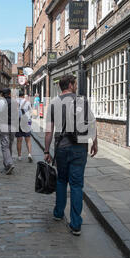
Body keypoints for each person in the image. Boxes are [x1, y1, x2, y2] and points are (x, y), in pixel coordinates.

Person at [44, 75, 98, 236]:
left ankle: (58, 213)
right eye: (75, 83)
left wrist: (46, 151)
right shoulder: (82, 101)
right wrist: (95, 143)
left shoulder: (53, 103)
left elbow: (49, 130)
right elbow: (92, 123)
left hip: (61, 147)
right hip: (80, 148)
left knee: (61, 180)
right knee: (76, 185)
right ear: (70, 84)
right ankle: (76, 224)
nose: (76, 86)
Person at [0, 88, 19, 175]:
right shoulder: (15, 102)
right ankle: (8, 163)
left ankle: (9, 163)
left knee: (5, 145)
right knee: (9, 145)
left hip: (4, 124)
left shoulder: (0, 102)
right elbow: (17, 114)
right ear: (9, 94)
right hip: (13, 125)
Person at [16, 91, 33, 162]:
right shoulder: (27, 102)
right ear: (23, 96)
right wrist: (30, 123)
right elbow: (31, 113)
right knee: (28, 139)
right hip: (26, 120)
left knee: (19, 140)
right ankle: (29, 154)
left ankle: (19, 156)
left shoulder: (15, 102)